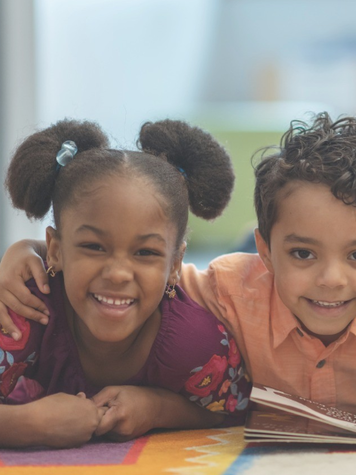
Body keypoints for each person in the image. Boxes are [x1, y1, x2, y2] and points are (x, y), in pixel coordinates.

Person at [0, 113, 356, 418]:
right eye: (303, 253)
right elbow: (140, 270)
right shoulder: (224, 291)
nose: (331, 280)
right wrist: (32, 251)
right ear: (265, 252)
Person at [0, 119, 249, 448]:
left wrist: (156, 409)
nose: (118, 274)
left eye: (145, 252)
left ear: (175, 265)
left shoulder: (197, 344)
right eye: (94, 246)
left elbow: (233, 407)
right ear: (56, 250)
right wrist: (27, 425)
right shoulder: (24, 309)